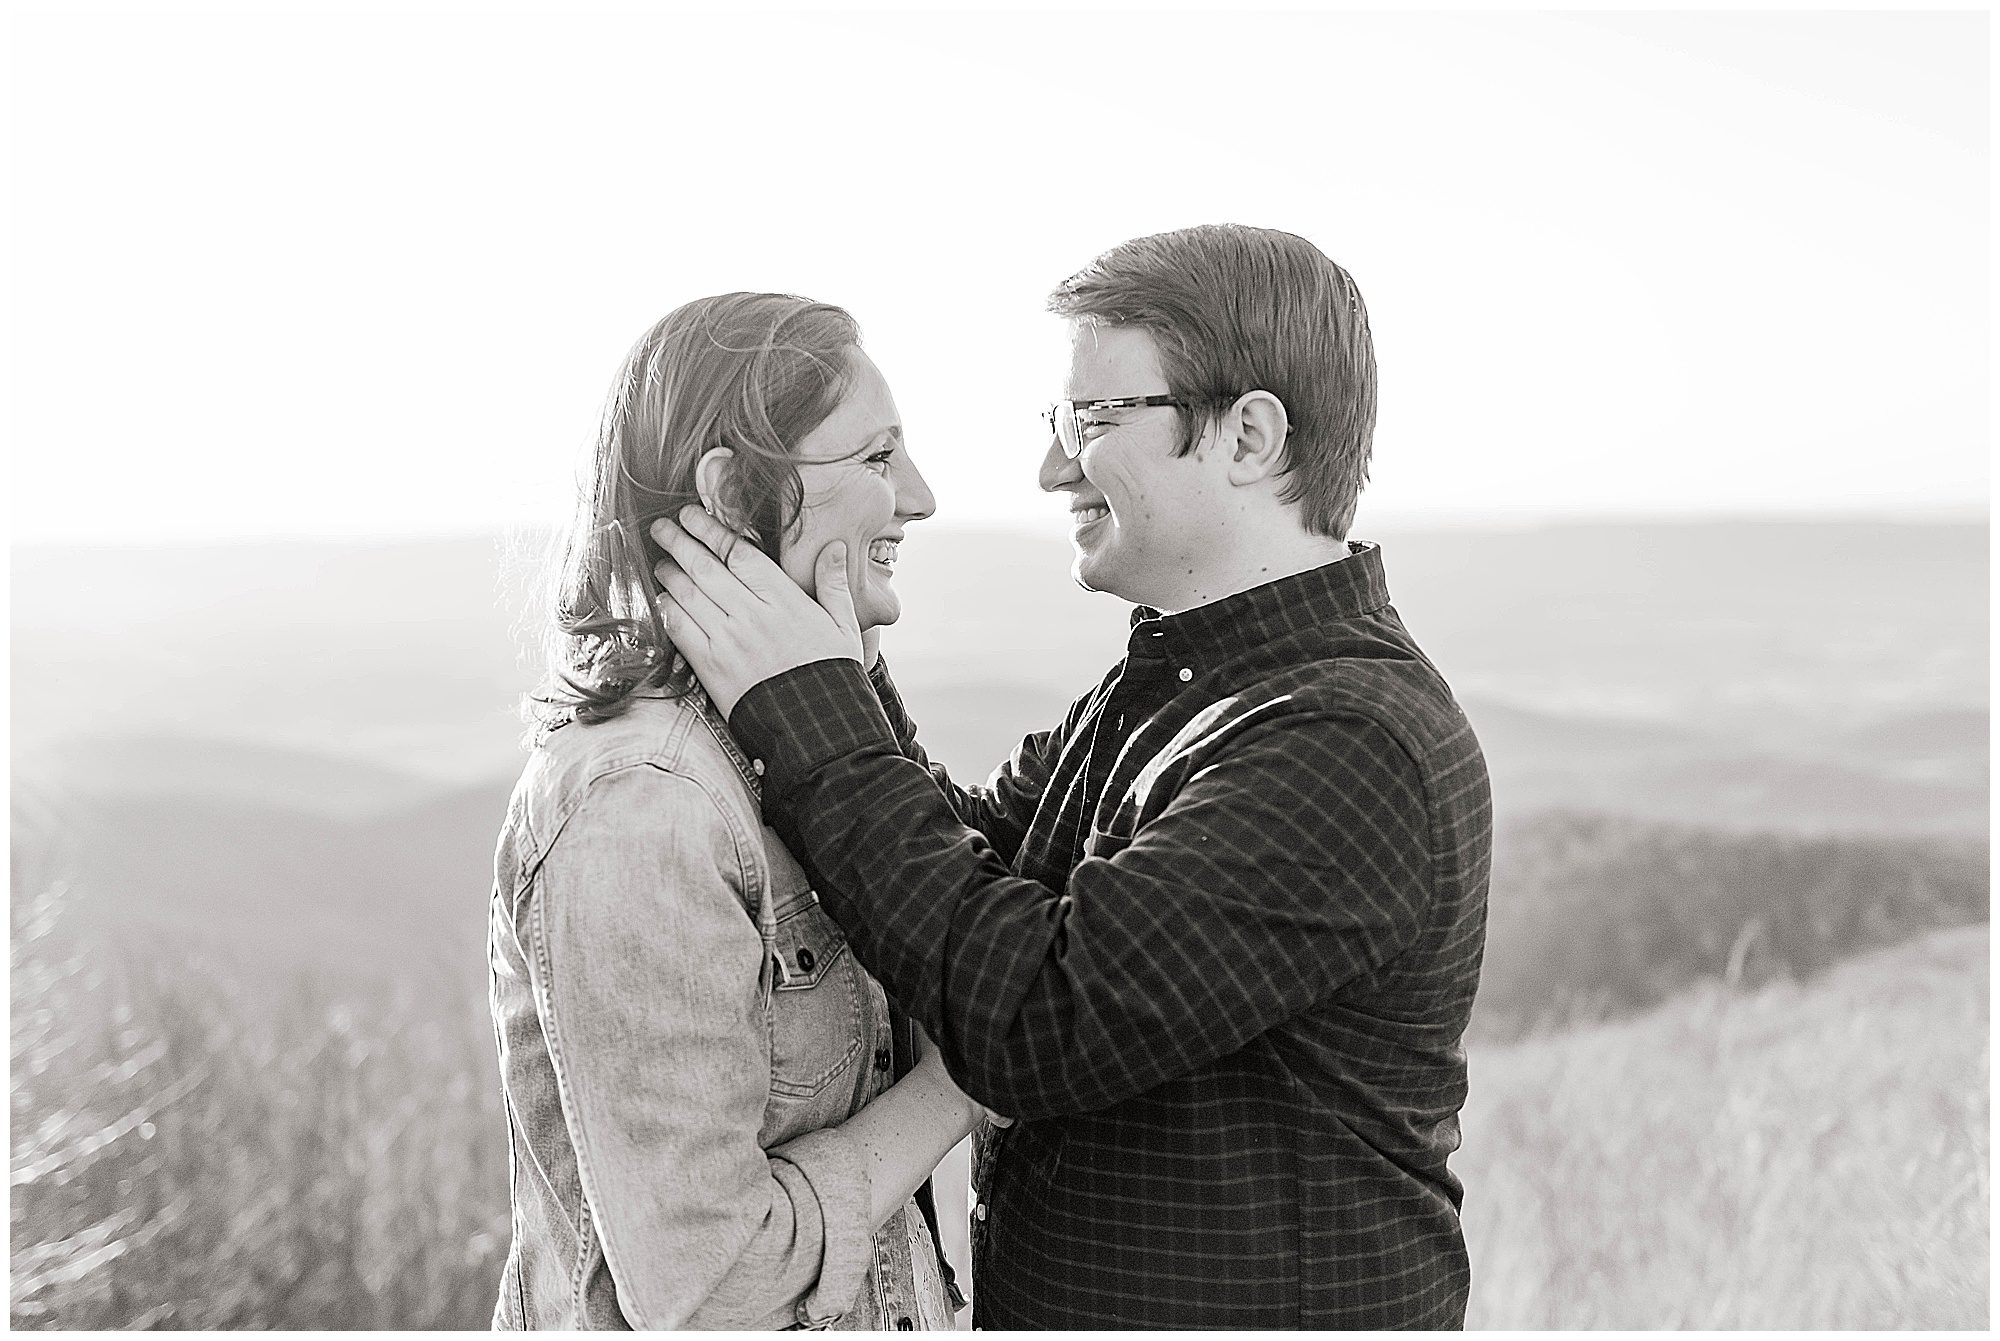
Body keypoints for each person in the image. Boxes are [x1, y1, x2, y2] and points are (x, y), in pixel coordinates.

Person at [650, 225, 1494, 1329]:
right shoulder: (1174, 688)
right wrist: (839, 662)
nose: (1051, 465)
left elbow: (1032, 1020)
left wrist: (808, 712)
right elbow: (957, 871)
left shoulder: (1342, 742)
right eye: (1056, 422)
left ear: (1247, 435)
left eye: (1090, 421)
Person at [487, 292, 990, 1330]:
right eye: (874, 456)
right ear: (730, 490)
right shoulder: (645, 809)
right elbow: (708, 1289)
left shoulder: (787, 761)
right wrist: (962, 1087)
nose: (921, 496)